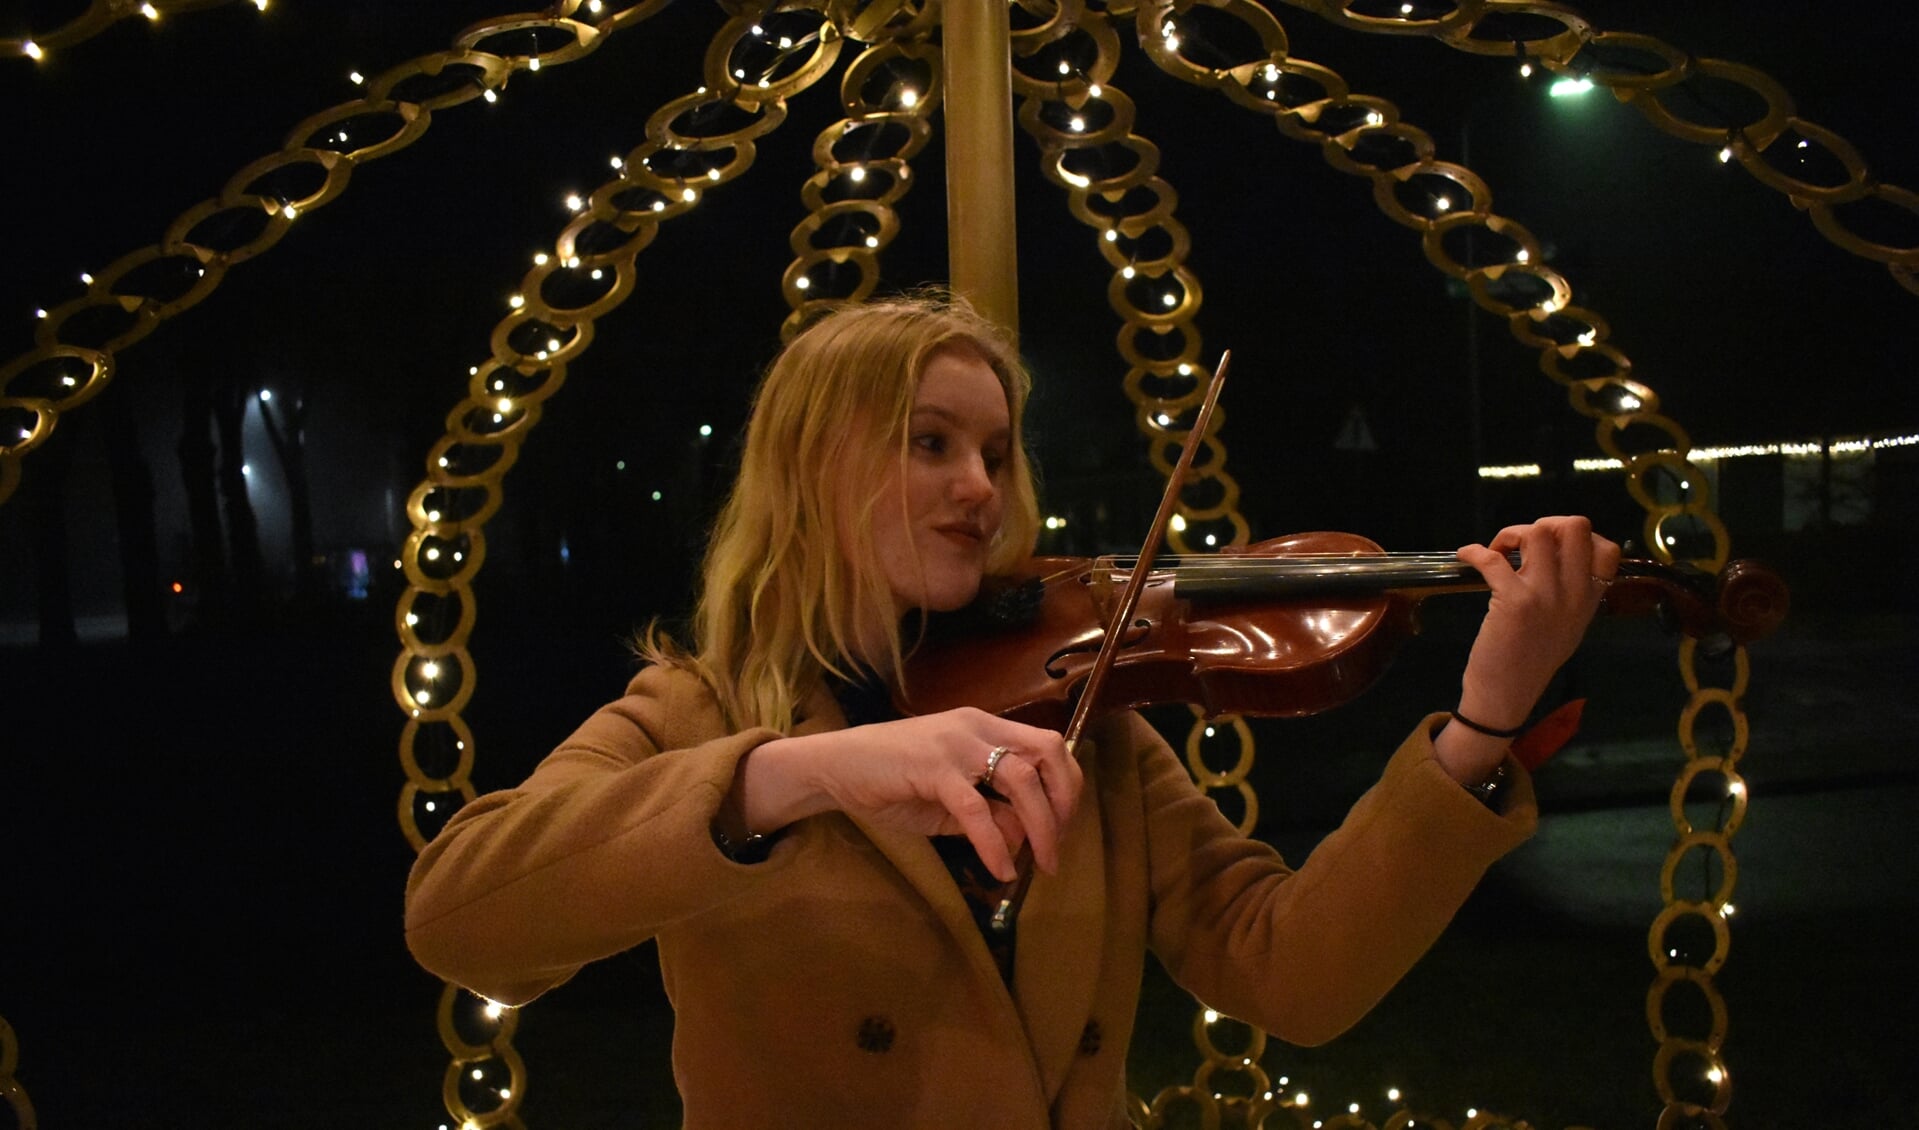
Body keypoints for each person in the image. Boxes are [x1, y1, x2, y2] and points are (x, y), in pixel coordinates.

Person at [404, 293, 1620, 1129]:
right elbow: (461, 914)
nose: (979, 487)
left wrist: (1481, 722)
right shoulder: (697, 711)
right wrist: (801, 773)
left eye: (994, 448)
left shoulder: (1078, 710)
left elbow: (1288, 969)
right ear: (807, 466)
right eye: (928, 442)